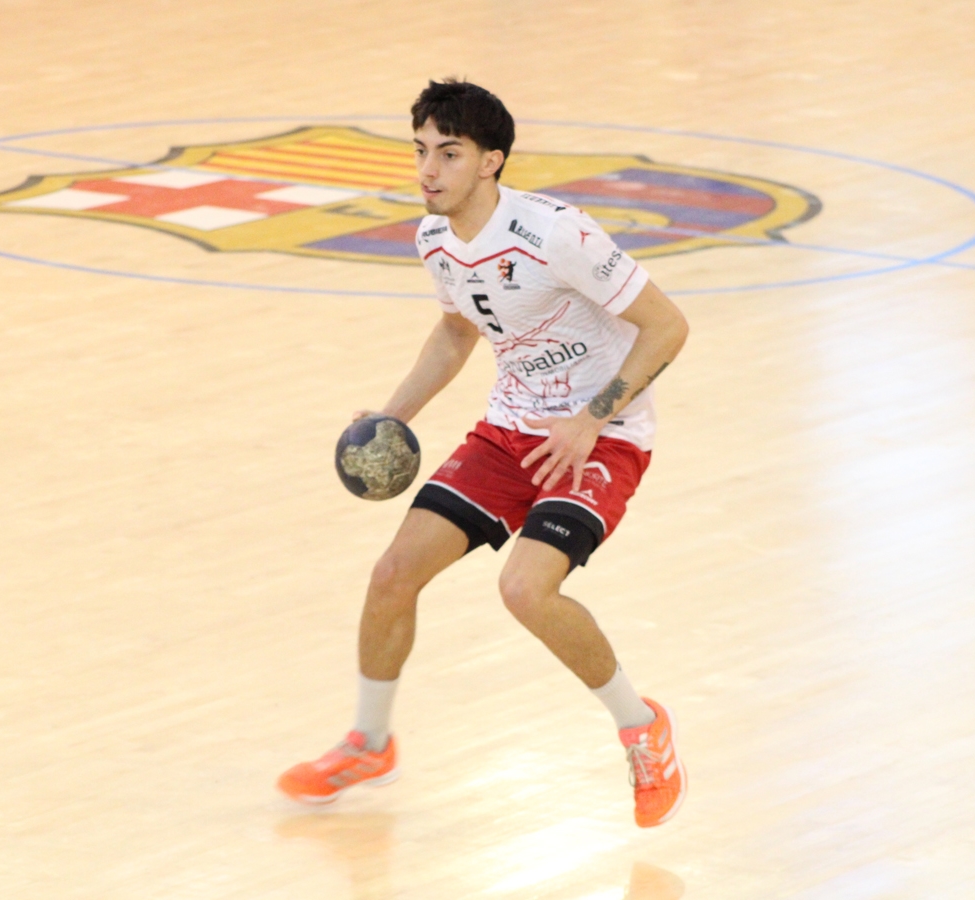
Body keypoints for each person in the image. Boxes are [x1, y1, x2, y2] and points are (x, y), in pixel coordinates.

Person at [278, 79, 690, 828]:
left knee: (526, 589)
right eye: (420, 151)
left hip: (603, 435)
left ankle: (641, 727)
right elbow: (455, 333)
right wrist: (392, 416)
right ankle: (370, 744)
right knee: (392, 575)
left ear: (491, 161)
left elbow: (667, 327)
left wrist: (590, 419)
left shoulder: (558, 234)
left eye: (449, 154)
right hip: (509, 430)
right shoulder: (435, 239)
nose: (428, 171)